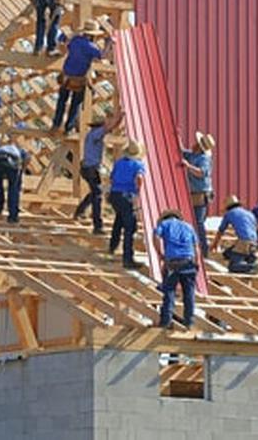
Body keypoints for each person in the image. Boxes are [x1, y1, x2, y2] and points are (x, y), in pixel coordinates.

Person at [51, 21, 110, 134]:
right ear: (92, 35)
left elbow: (62, 39)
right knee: (75, 105)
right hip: (78, 80)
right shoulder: (91, 47)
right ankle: (68, 128)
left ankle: (56, 124)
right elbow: (103, 55)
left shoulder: (75, 41)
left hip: (66, 77)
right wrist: (109, 43)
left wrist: (74, 32)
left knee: (61, 102)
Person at [74, 109, 125, 234]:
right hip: (90, 169)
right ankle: (97, 225)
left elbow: (110, 127)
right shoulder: (96, 133)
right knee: (97, 195)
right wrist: (120, 117)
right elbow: (109, 127)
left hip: (88, 168)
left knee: (95, 191)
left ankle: (80, 211)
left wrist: (118, 120)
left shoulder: (92, 134)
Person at [154, 210, 198, 330]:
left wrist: (160, 254)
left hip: (173, 262)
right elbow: (196, 247)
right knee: (189, 293)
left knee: (169, 292)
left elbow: (156, 237)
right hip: (188, 261)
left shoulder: (164, 224)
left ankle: (166, 321)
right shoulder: (189, 227)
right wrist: (196, 263)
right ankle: (189, 322)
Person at [108, 140, 146, 270]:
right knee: (130, 228)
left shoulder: (119, 163)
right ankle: (127, 258)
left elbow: (111, 178)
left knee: (119, 220)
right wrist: (138, 192)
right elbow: (140, 178)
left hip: (114, 195)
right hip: (126, 195)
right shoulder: (138, 164)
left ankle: (113, 246)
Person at [181, 131, 215, 249]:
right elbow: (182, 151)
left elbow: (202, 173)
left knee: (198, 222)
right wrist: (177, 137)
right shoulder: (193, 155)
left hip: (200, 194)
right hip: (195, 193)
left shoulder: (204, 159)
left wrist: (188, 166)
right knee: (194, 221)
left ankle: (203, 248)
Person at [212, 195, 258, 274]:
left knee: (233, 267)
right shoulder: (249, 213)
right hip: (254, 242)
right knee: (227, 254)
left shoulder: (229, 213)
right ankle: (250, 264)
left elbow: (221, 231)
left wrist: (215, 244)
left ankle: (252, 266)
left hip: (244, 242)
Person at [0, 133, 28, 223]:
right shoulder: (22, 151)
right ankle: (13, 216)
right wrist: (21, 172)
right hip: (12, 163)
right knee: (13, 188)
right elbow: (25, 161)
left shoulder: (1, 147)